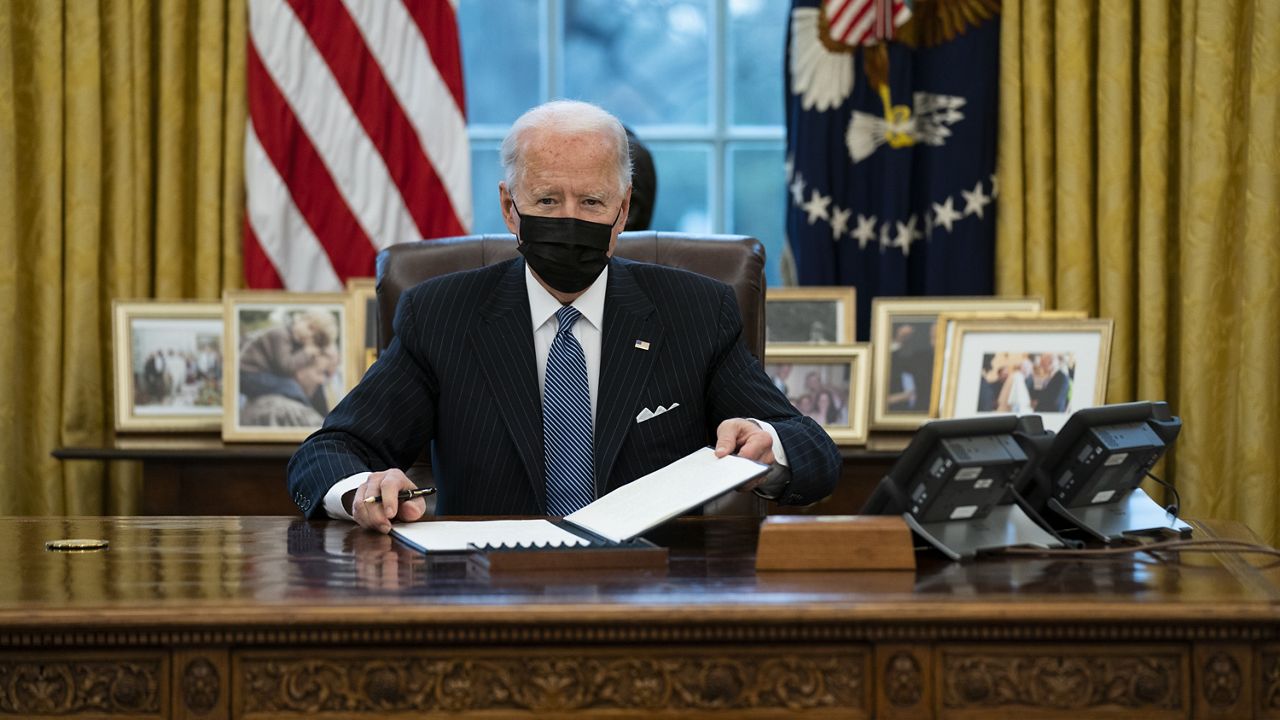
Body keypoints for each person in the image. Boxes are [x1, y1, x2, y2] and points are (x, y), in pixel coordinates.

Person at [287, 100, 841, 533]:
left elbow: (812, 449)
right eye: (548, 201)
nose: (569, 219)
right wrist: (362, 487)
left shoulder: (696, 311)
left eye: (592, 203)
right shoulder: (441, 315)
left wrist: (769, 442)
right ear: (511, 208)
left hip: (655, 598)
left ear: (623, 209)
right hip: (491, 595)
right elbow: (328, 452)